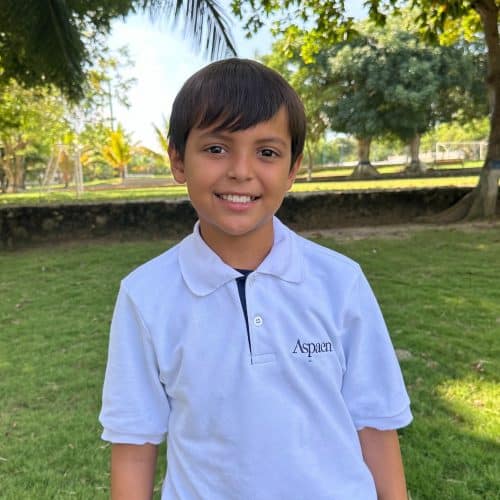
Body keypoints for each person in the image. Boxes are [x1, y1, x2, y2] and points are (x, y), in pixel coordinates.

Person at [99, 58, 412, 500]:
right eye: (216, 148)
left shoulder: (340, 282)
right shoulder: (145, 295)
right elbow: (134, 442)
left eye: (267, 152)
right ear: (178, 161)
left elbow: (375, 422)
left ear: (293, 168)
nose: (241, 171)